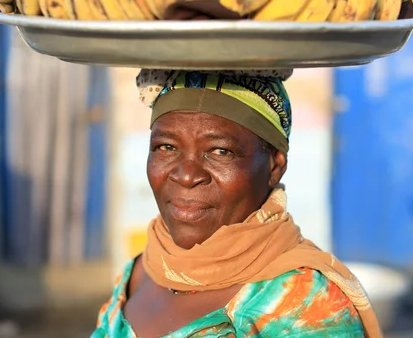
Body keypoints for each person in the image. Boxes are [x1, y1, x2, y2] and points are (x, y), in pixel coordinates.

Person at [92, 69, 382, 338]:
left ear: (274, 166)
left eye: (220, 151)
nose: (187, 175)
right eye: (166, 147)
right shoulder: (143, 270)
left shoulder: (303, 305)